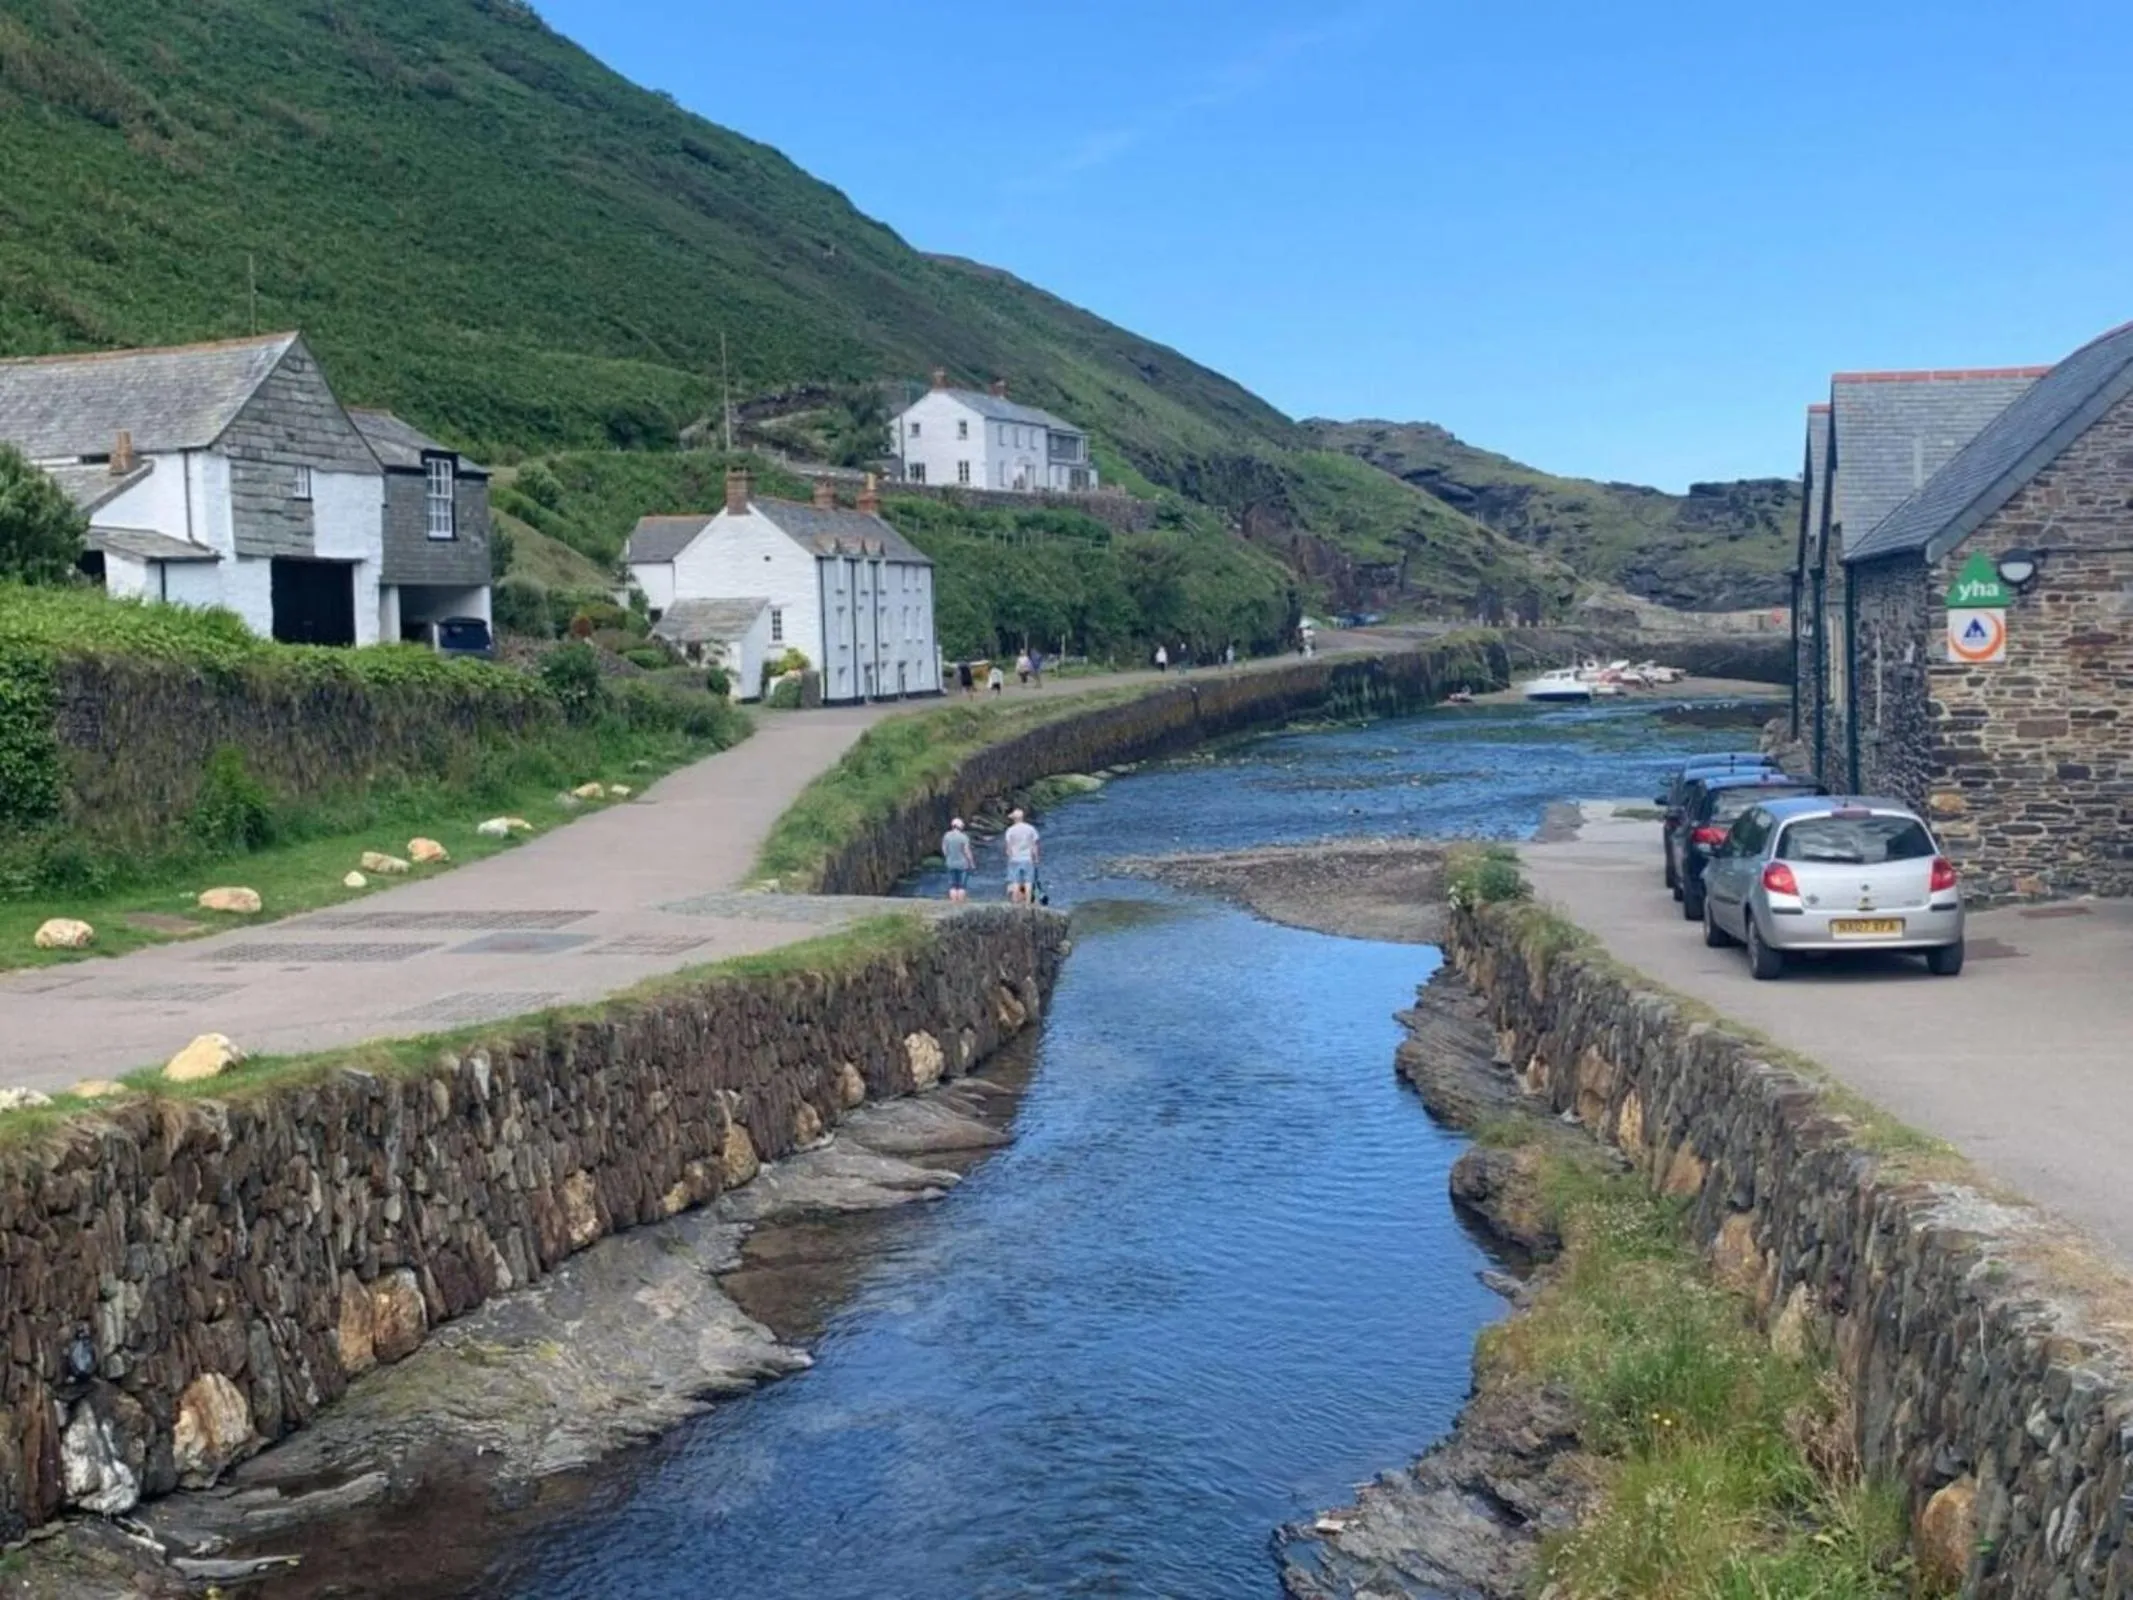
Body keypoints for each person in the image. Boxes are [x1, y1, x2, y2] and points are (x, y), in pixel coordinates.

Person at [1002, 808, 1041, 904]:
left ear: (1014, 819)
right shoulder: (1031, 829)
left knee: (1015, 882)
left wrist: (1010, 857)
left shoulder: (1010, 830)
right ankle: (1028, 903)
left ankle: (1015, 903)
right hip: (1028, 859)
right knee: (1028, 882)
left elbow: (1008, 847)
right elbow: (1034, 845)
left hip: (1014, 859)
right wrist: (1036, 858)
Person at [941, 817, 975, 902]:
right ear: (961, 827)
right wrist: (971, 863)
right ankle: (960, 903)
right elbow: (967, 851)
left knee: (952, 886)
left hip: (950, 863)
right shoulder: (964, 837)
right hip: (963, 864)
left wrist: (948, 857)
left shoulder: (947, 836)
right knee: (961, 886)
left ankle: (953, 903)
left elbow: (944, 849)